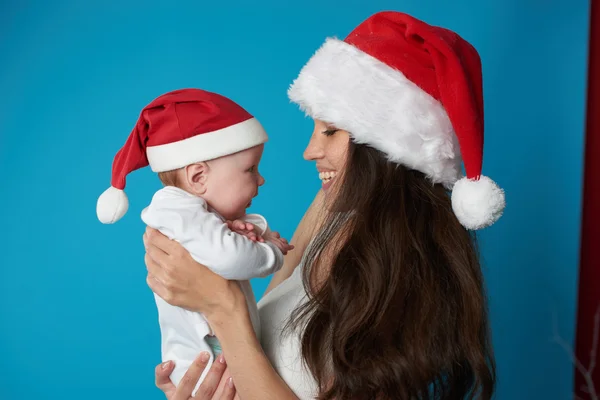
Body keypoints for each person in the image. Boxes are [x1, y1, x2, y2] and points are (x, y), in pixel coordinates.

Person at [143, 10, 506, 400]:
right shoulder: (332, 220)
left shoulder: (409, 280)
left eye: (330, 130)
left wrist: (221, 307)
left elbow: (238, 323)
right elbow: (260, 332)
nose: (310, 150)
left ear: (384, 147)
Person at [96, 89, 293, 396]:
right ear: (198, 177)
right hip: (206, 367)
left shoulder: (193, 214)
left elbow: (221, 239)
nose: (261, 179)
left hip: (219, 357)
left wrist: (254, 229)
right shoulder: (175, 209)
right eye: (250, 169)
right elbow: (230, 259)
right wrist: (270, 253)